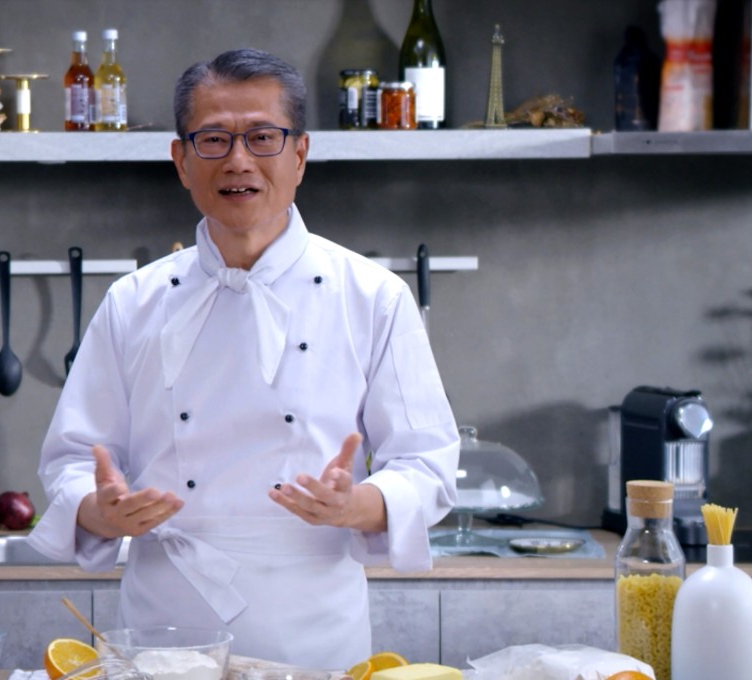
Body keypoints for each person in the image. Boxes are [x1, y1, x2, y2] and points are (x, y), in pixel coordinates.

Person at [28, 48, 459, 669]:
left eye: (262, 137)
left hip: (311, 629)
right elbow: (74, 459)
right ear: (180, 160)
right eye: (212, 139)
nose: (237, 161)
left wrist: (356, 504)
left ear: (300, 155)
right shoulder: (133, 302)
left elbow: (426, 464)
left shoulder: (372, 297)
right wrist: (101, 510)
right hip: (164, 630)